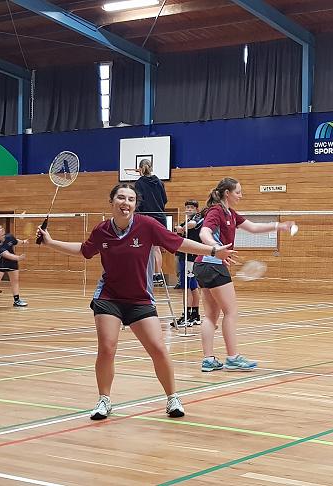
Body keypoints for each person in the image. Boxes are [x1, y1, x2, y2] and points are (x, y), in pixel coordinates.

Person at [36, 183, 236, 420]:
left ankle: (172, 398)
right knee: (107, 348)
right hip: (109, 297)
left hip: (140, 299)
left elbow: (178, 242)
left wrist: (212, 251)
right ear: (112, 202)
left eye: (130, 199)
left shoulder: (147, 225)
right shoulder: (102, 230)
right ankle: (104, 399)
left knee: (158, 349)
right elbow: (84, 250)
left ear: (135, 205)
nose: (126, 203)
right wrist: (50, 242)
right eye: (121, 197)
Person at [195, 177, 294, 372]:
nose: (241, 195)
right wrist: (216, 248)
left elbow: (253, 228)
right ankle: (232, 357)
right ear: (227, 193)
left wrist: (278, 226)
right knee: (230, 312)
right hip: (213, 264)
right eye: (238, 192)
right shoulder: (216, 211)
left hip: (202, 266)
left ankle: (208, 359)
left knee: (210, 315)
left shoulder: (231, 214)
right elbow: (204, 233)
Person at [133, 158, 168, 285]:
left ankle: (149, 274)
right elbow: (165, 200)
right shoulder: (159, 182)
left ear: (140, 169)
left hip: (147, 217)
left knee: (146, 248)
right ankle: (157, 275)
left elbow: (138, 202)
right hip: (161, 217)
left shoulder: (139, 183)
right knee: (156, 248)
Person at [174, 200, 204, 326]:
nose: (189, 210)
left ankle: (187, 316)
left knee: (187, 287)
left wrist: (182, 228)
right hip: (184, 256)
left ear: (197, 210)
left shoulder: (197, 219)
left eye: (191, 207)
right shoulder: (186, 221)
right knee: (192, 287)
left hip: (190, 257)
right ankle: (194, 315)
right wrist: (178, 229)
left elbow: (192, 225)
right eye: (187, 207)